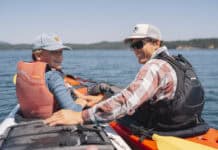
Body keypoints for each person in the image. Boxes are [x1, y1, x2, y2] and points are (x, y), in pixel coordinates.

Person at [44, 24, 206, 134]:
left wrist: (80, 116)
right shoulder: (177, 62)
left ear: (156, 43)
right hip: (186, 124)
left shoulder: (154, 67)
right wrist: (102, 100)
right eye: (132, 46)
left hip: (164, 129)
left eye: (139, 45)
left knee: (109, 111)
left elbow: (127, 101)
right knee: (107, 99)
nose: (135, 50)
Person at [16, 33, 88, 119]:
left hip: (28, 120)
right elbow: (73, 111)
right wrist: (82, 102)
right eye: (54, 52)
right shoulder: (53, 77)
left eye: (60, 52)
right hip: (51, 122)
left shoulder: (24, 73)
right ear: (38, 55)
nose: (60, 57)